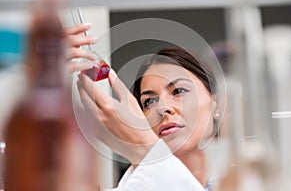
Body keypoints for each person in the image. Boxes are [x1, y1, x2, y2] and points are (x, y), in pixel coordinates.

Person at [64, 23, 223, 191]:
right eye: (149, 101)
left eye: (178, 91)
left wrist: (147, 149)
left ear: (216, 104)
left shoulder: (248, 178)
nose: (162, 108)